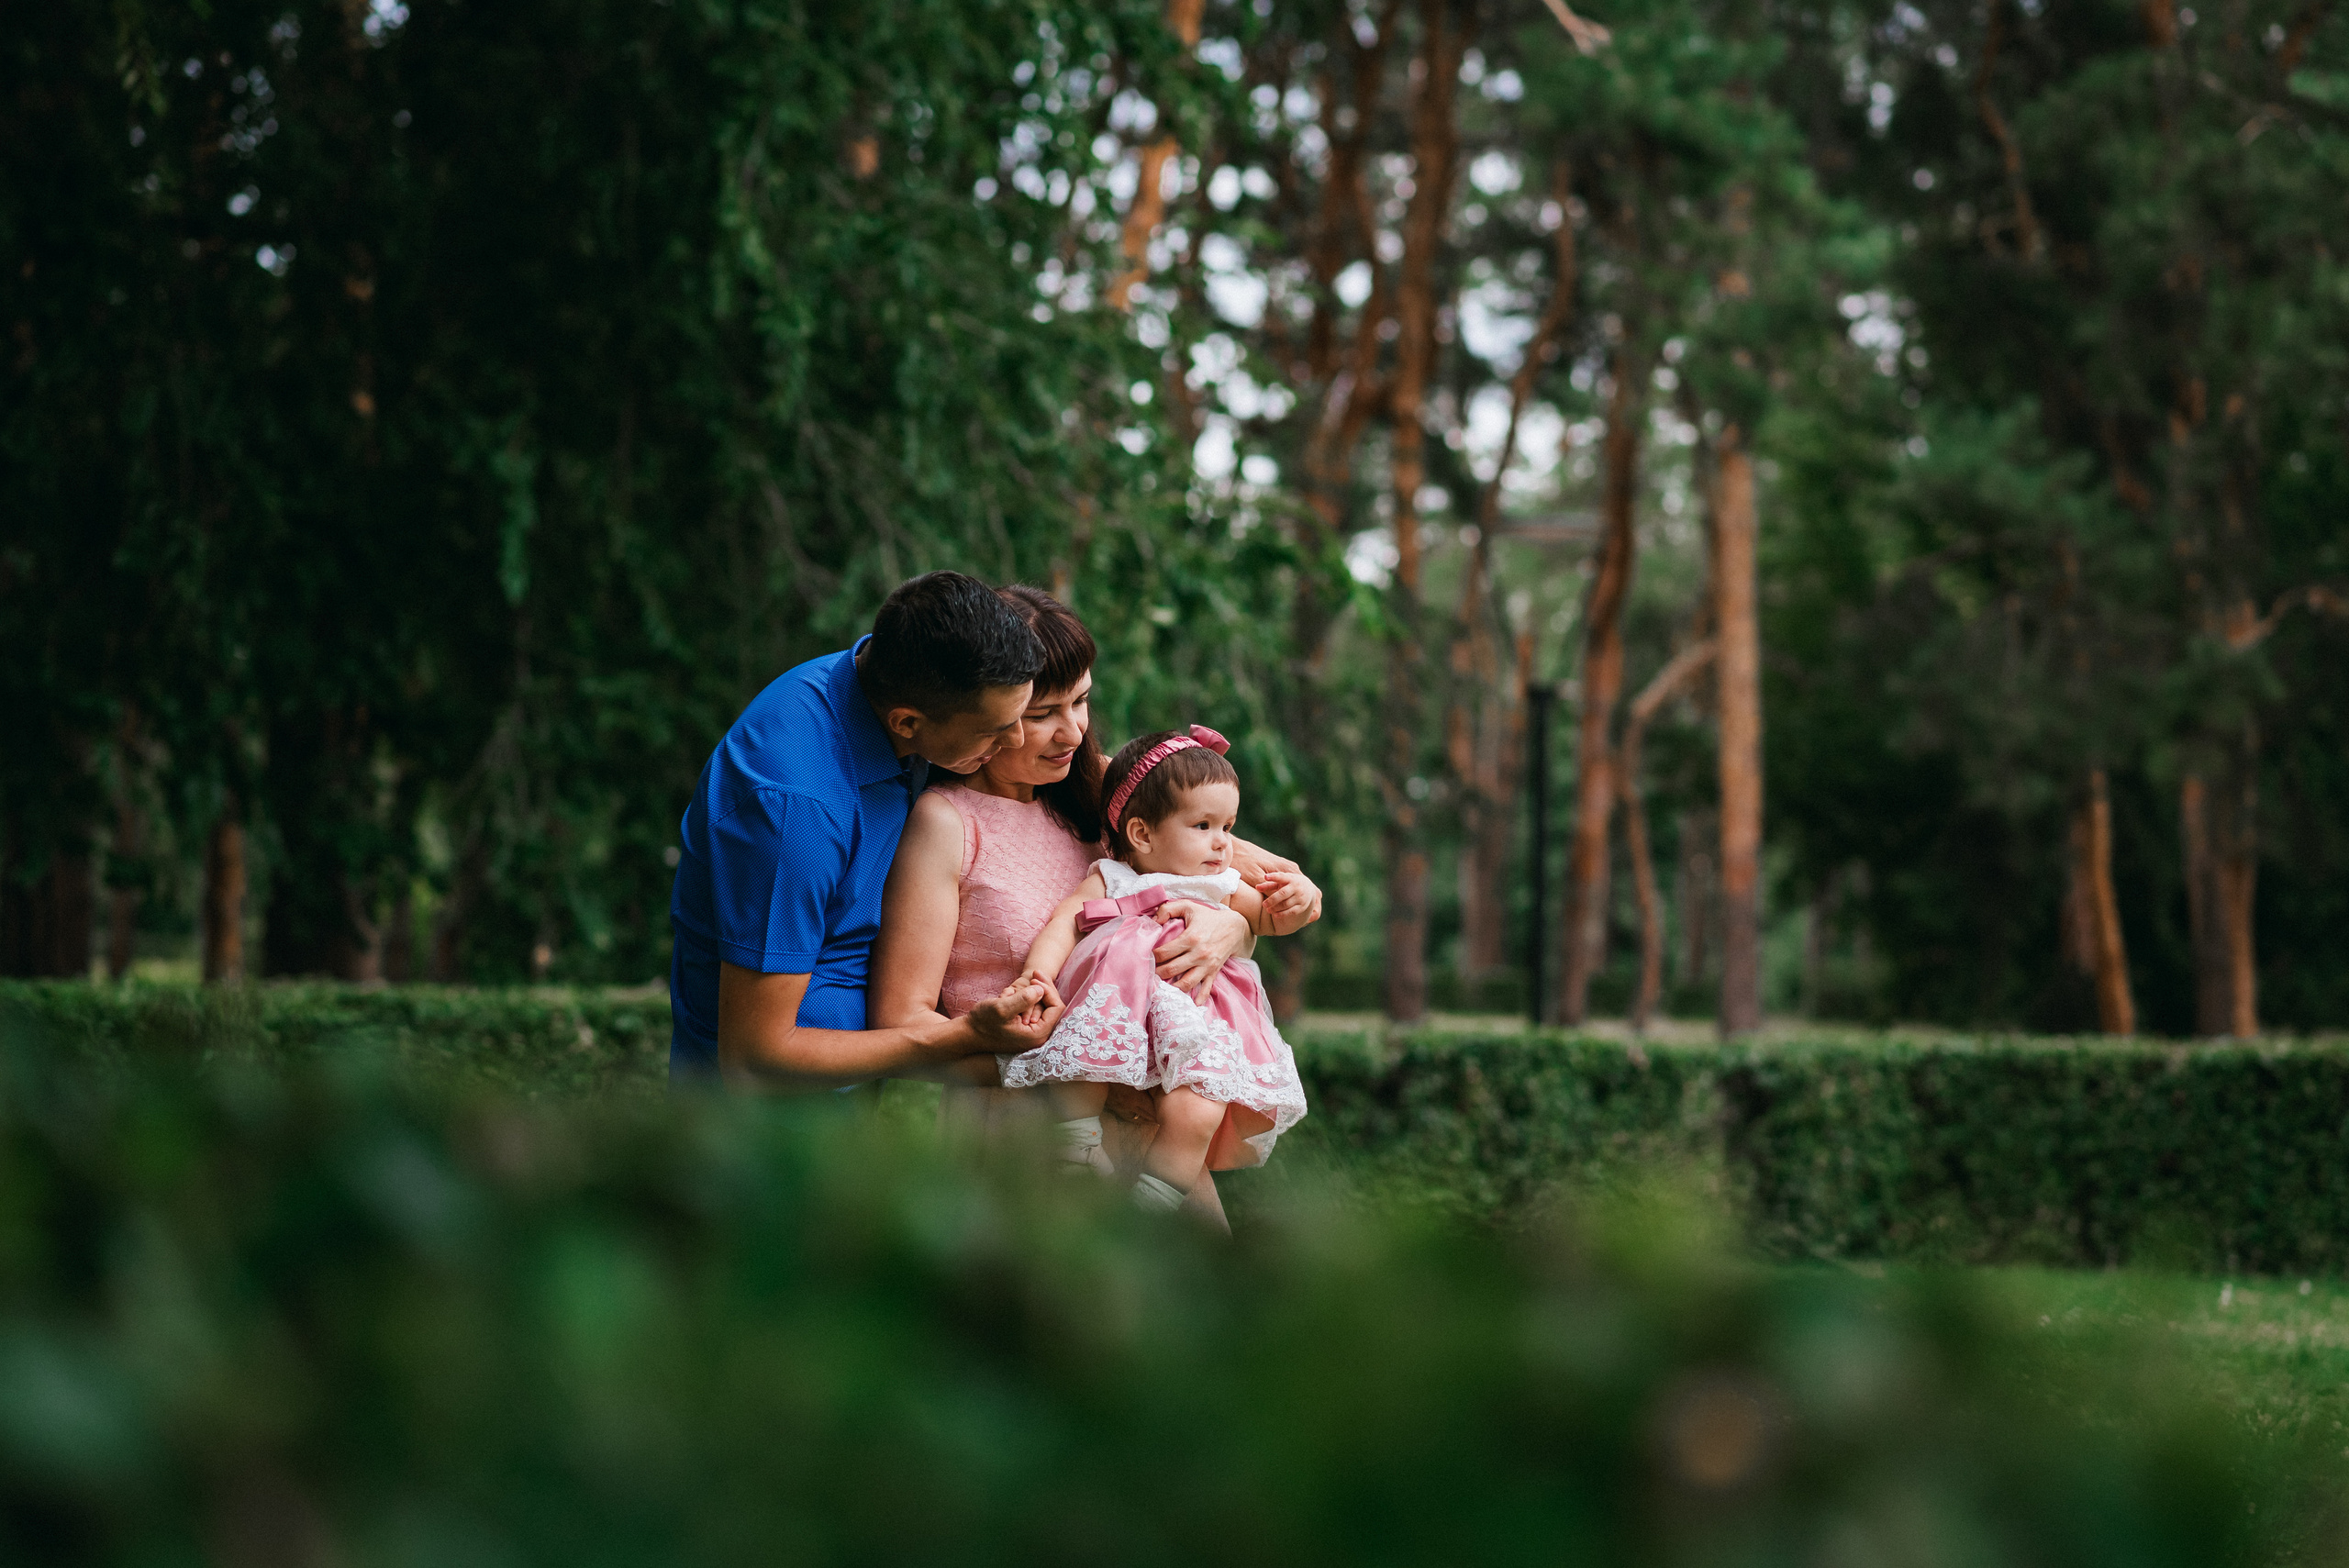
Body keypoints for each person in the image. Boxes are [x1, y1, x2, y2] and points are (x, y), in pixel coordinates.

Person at [869, 586, 1319, 1220]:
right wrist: (1057, 1067)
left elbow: (1264, 891)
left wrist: (1229, 929)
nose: (1073, 730)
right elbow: (902, 1024)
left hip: (1154, 1144)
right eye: (1044, 712)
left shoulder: (1114, 797)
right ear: (994, 708)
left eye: (1081, 701)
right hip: (1031, 1140)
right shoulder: (948, 822)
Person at [667, 571, 1065, 1087]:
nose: (1016, 740)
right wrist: (967, 1035)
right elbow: (756, 1053)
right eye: (994, 730)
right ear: (906, 722)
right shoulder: (794, 806)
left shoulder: (891, 680)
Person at [997, 726, 1310, 1212]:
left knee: (1200, 1108)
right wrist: (1036, 977)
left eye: (1228, 827)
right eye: (1203, 826)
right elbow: (1064, 924)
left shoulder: (1224, 885)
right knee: (1085, 1062)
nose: (1223, 844)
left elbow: (1268, 917)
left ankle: (1156, 1200)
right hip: (1117, 1007)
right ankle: (1074, 1146)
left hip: (1198, 1017)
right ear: (1141, 833)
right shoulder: (1112, 876)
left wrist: (1297, 898)